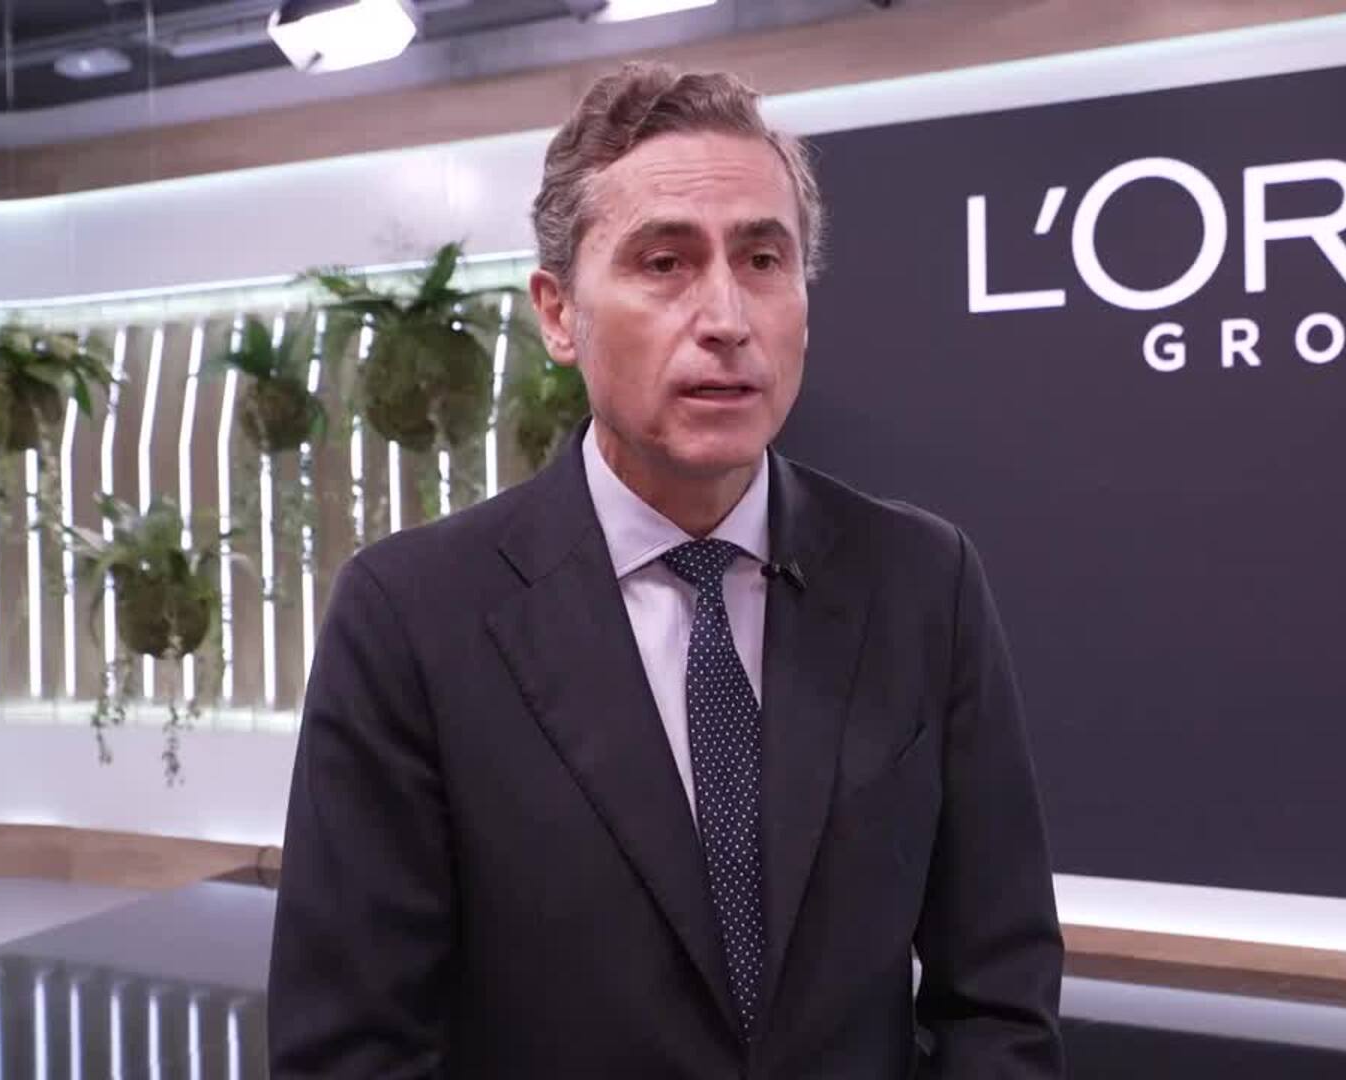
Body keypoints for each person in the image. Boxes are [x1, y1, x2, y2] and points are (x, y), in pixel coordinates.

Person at [268, 61, 1065, 1078]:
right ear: (559, 313)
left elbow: (998, 991)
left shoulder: (922, 581)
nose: (727, 315)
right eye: (664, 262)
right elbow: (352, 1050)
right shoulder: (412, 619)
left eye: (763, 259)